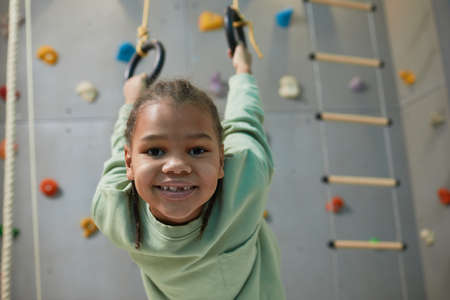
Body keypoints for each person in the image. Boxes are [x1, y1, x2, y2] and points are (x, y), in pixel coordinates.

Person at [91, 44, 286, 299]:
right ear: (131, 164)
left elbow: (245, 120)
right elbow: (122, 149)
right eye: (155, 151)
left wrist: (243, 71)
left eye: (196, 150)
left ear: (220, 161)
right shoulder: (115, 208)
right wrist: (242, 69)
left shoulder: (244, 174)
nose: (176, 166)